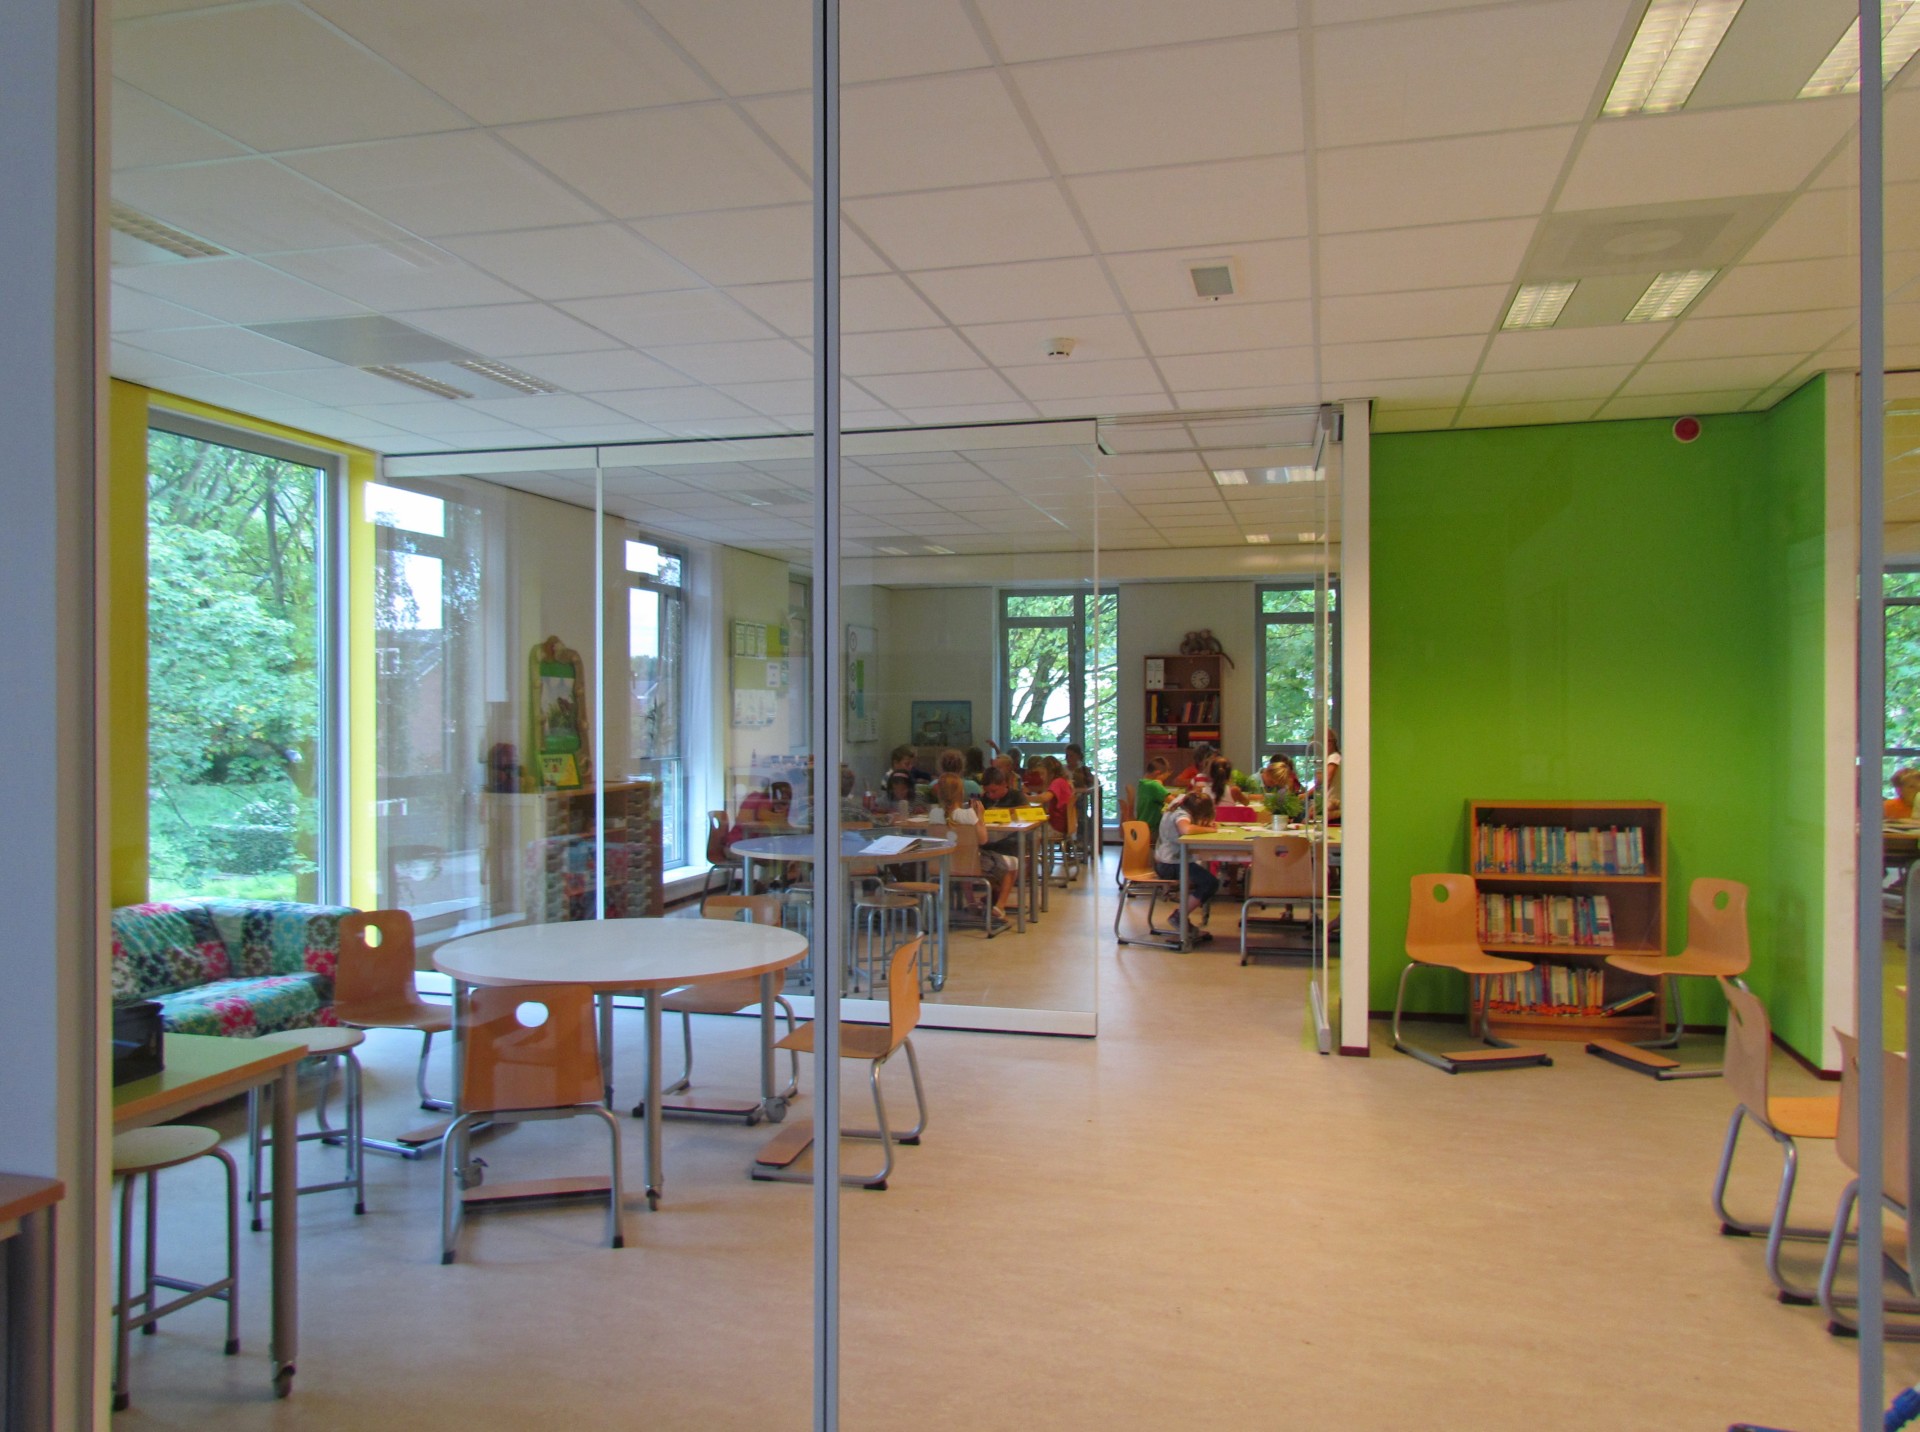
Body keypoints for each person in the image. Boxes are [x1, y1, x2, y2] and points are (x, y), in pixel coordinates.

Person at [935, 774, 1014, 931]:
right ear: (960, 792)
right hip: (970, 863)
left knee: (963, 861)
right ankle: (1000, 906)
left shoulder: (934, 814)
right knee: (1013, 863)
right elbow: (983, 840)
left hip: (943, 864)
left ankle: (971, 902)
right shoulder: (968, 814)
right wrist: (980, 817)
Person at [1154, 790, 1218, 940]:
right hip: (1171, 864)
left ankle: (1182, 917)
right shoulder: (1181, 815)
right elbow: (1186, 829)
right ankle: (1179, 916)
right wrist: (1210, 829)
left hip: (1166, 861)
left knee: (1204, 879)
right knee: (1210, 883)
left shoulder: (1178, 806)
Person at [1038, 755, 1076, 834]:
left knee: (1031, 833)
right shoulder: (1063, 781)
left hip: (1056, 826)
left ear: (1050, 772)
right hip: (1063, 825)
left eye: (1042, 774)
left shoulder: (1057, 782)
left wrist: (1027, 797)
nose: (1041, 777)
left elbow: (1045, 798)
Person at [1135, 755, 1172, 834]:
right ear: (1157, 773)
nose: (1164, 780)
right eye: (1164, 777)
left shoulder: (1143, 783)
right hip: (1152, 830)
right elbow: (1174, 802)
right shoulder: (1154, 785)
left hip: (1141, 828)